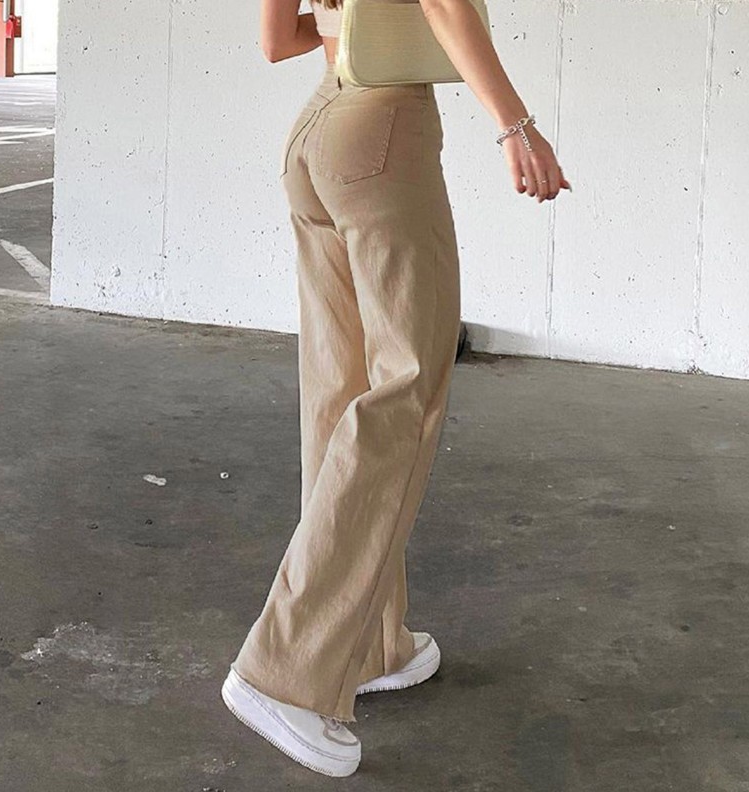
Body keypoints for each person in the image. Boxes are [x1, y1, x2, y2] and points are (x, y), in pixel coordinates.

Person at [221, 0, 572, 777]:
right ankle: (285, 671)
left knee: (341, 390)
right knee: (405, 390)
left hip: (318, 131)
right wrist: (514, 125)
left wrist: (347, 27)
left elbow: (277, 41)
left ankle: (368, 646)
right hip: (382, 130)